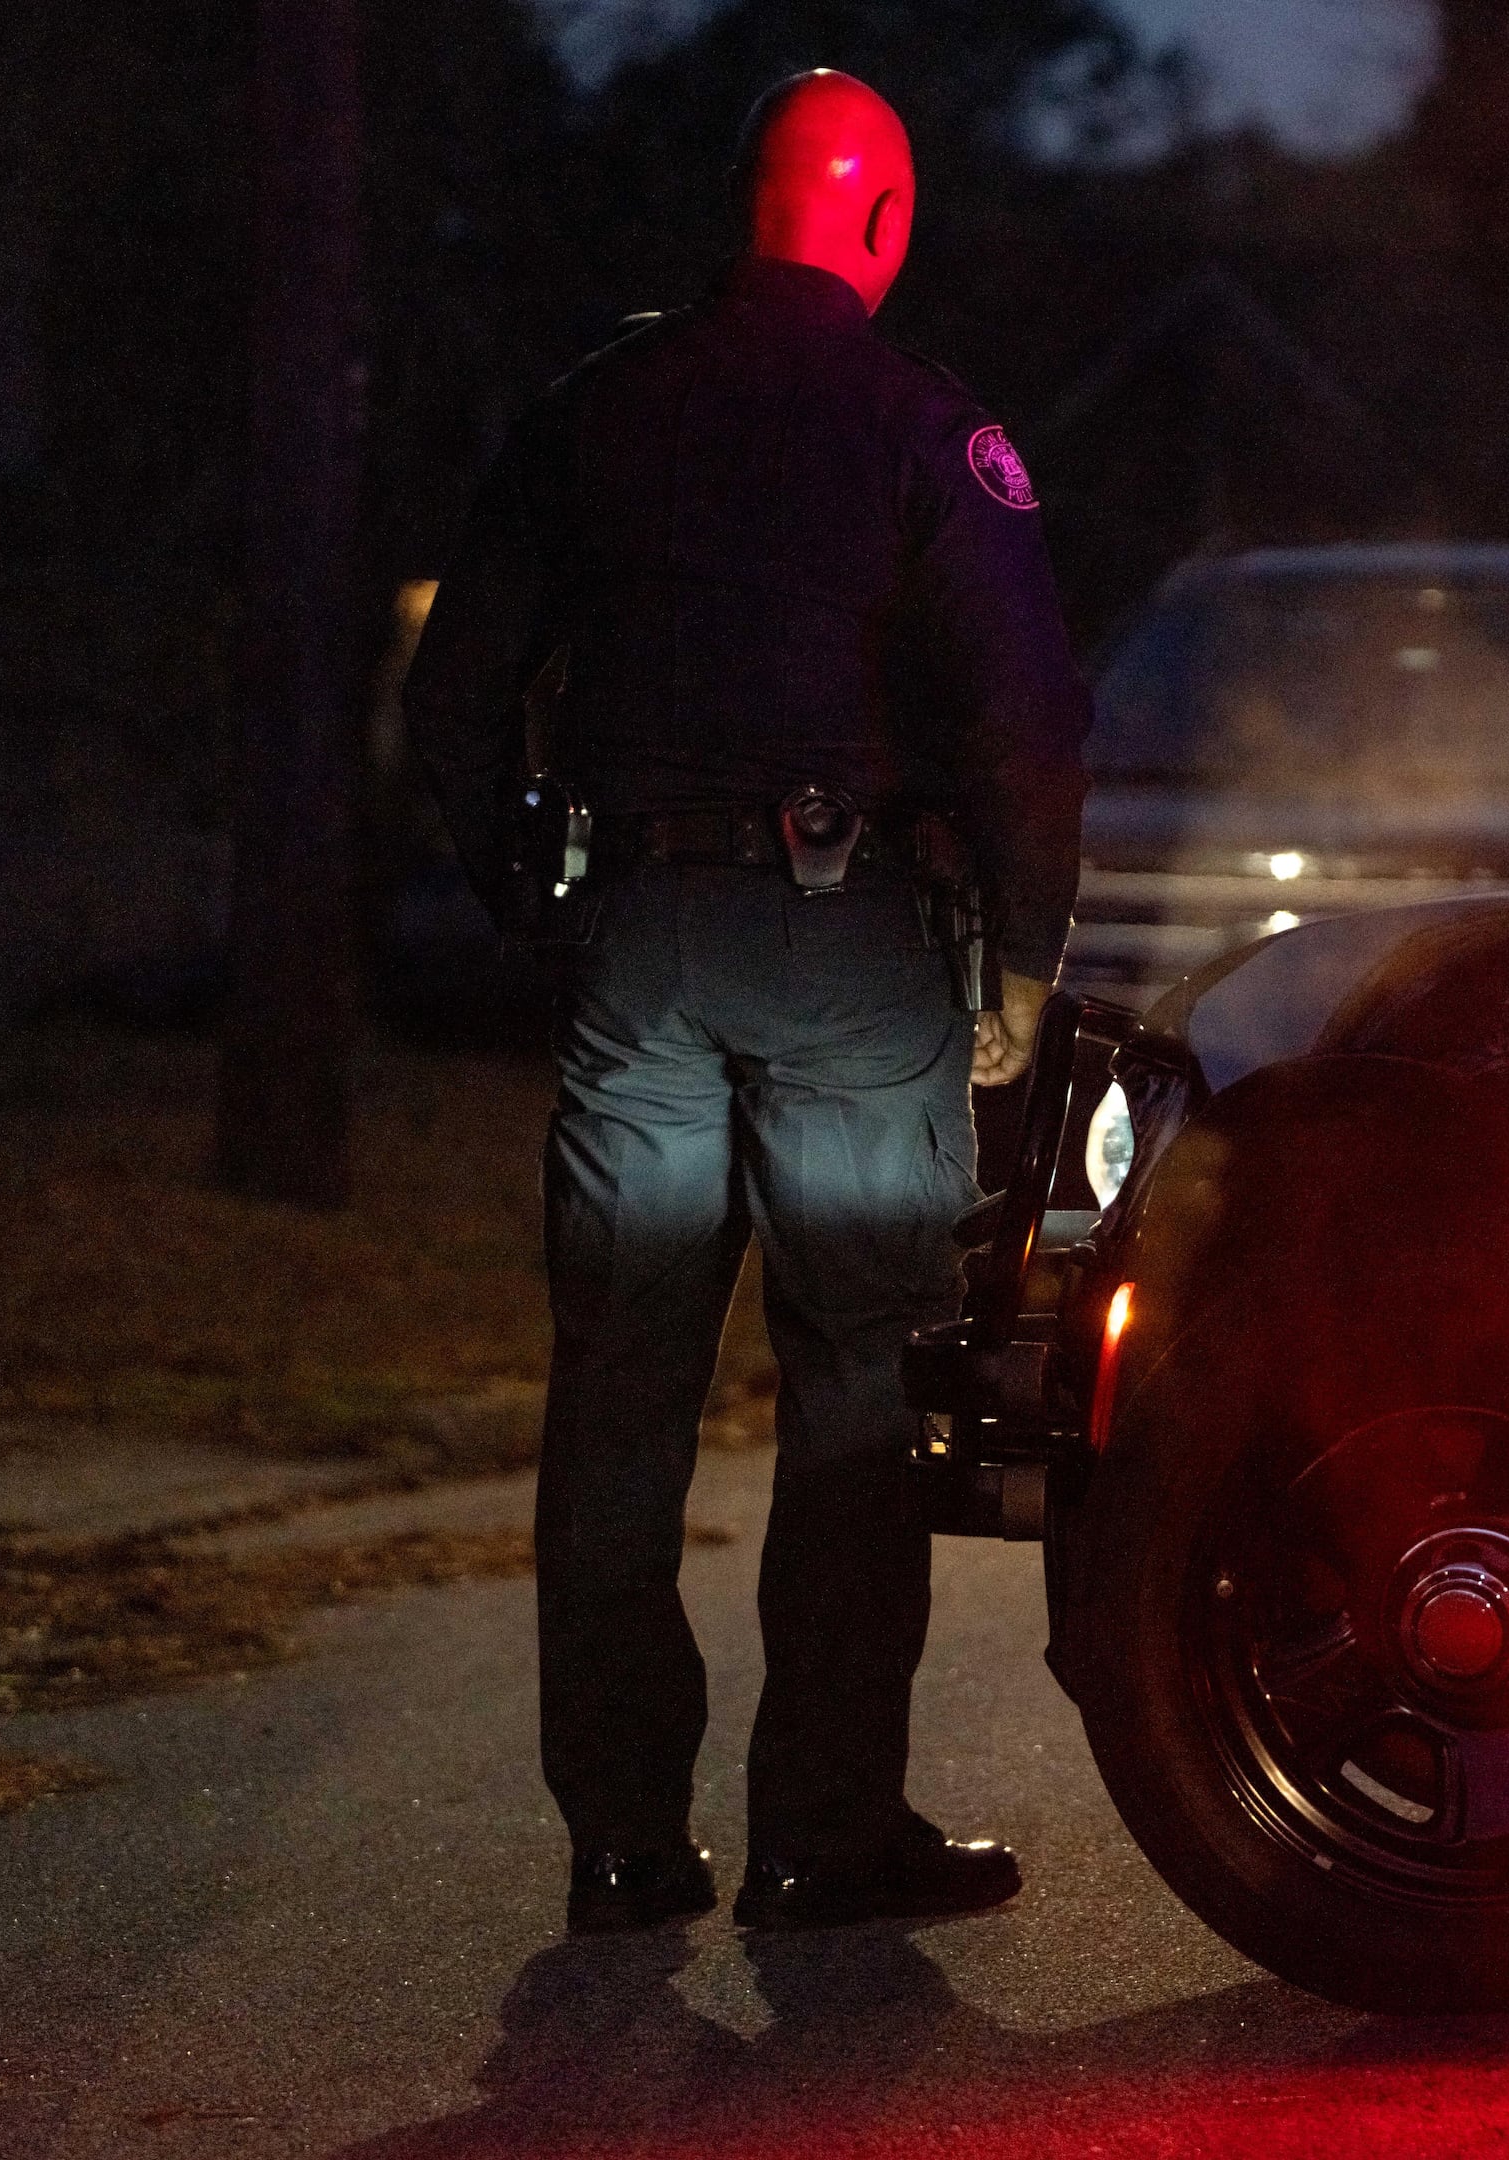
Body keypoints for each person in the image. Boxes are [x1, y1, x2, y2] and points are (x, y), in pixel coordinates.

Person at [403, 68, 1089, 1935]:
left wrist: (539, 907)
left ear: (741, 211)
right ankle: (822, 1832)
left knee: (619, 1387)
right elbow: (1029, 731)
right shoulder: (927, 435)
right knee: (861, 1384)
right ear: (882, 223)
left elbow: (455, 701)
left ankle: (625, 1840)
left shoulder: (591, 414)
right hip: (852, 951)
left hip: (642, 938)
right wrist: (1023, 965)